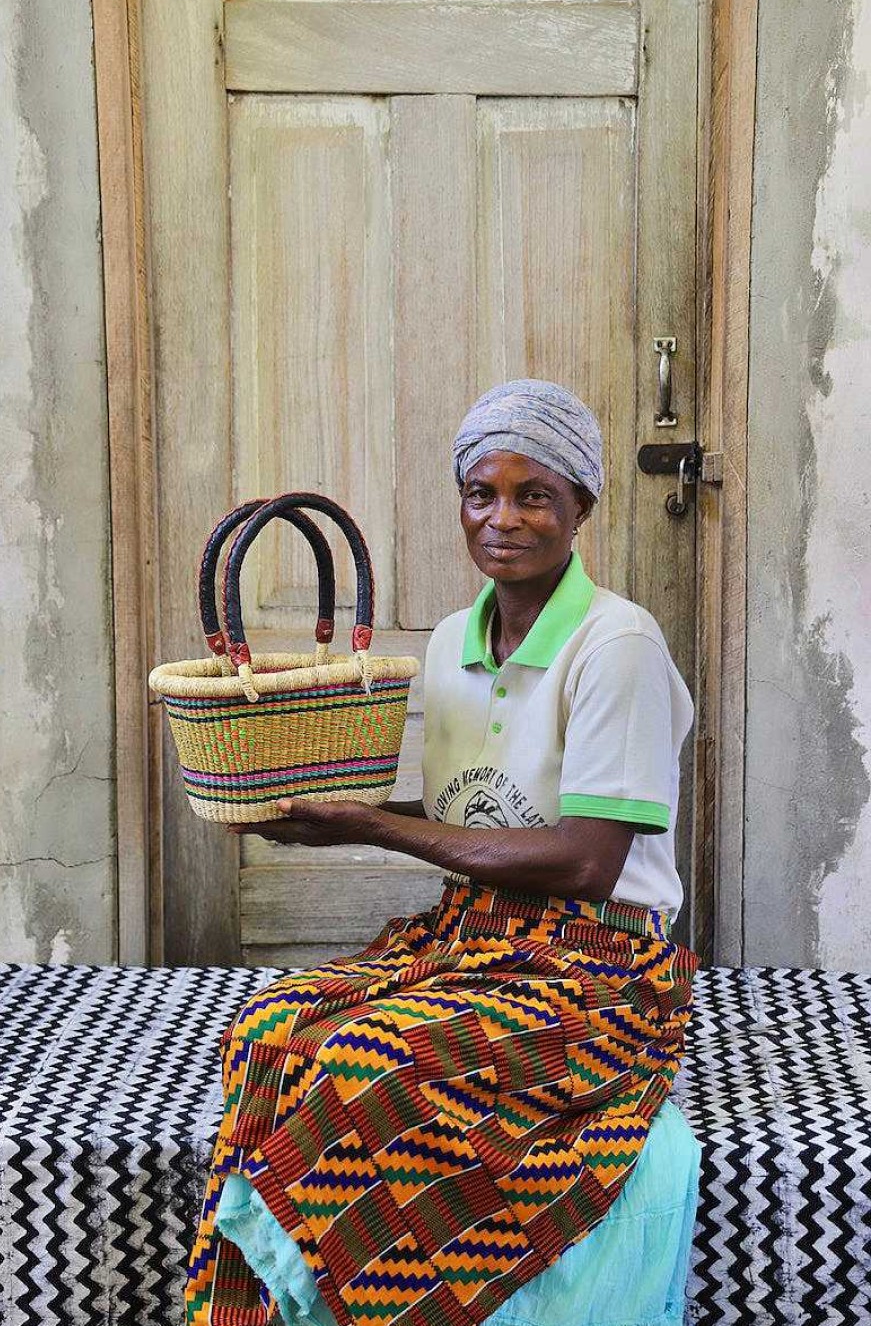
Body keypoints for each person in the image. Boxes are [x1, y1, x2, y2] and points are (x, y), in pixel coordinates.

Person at [184, 379, 702, 1326]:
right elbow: (483, 809)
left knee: (370, 1061)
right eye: (481, 494)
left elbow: (584, 859)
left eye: (533, 494)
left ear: (582, 504)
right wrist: (336, 810)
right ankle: (263, 1313)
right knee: (271, 1028)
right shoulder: (454, 646)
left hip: (597, 964)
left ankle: (370, 1301)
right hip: (475, 939)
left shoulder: (614, 643)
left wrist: (374, 826)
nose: (502, 519)